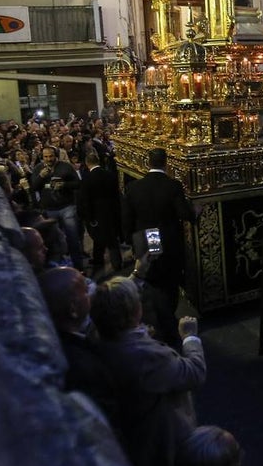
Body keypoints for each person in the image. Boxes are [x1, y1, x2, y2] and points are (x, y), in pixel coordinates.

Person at [93, 276, 205, 466]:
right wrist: (190, 337)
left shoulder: (103, 343)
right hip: (164, 444)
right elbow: (194, 372)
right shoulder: (144, 355)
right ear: (136, 311)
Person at [121, 148, 196, 346]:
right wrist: (194, 212)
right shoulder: (172, 185)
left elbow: (127, 220)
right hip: (168, 239)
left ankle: (156, 314)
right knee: (169, 281)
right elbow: (183, 213)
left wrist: (131, 242)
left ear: (148, 163)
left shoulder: (134, 187)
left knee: (152, 277)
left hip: (149, 238)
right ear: (166, 163)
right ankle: (167, 318)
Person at [38, 267, 115, 420]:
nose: (92, 293)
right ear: (73, 309)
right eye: (85, 291)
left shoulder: (69, 341)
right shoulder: (83, 368)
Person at [31, 145, 83, 271]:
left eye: (51, 156)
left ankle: (78, 268)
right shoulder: (38, 168)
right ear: (42, 157)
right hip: (49, 210)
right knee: (55, 242)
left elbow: (77, 183)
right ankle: (62, 270)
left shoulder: (66, 166)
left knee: (73, 238)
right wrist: (41, 177)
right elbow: (34, 187)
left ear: (56, 156)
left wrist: (64, 185)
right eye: (45, 157)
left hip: (67, 207)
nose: (48, 159)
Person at [77, 149, 122, 279]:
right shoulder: (110, 175)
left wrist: (88, 217)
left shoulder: (86, 179)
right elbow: (116, 194)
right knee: (112, 237)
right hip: (111, 211)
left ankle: (100, 260)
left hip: (96, 214)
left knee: (98, 236)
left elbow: (85, 200)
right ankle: (116, 263)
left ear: (87, 163)